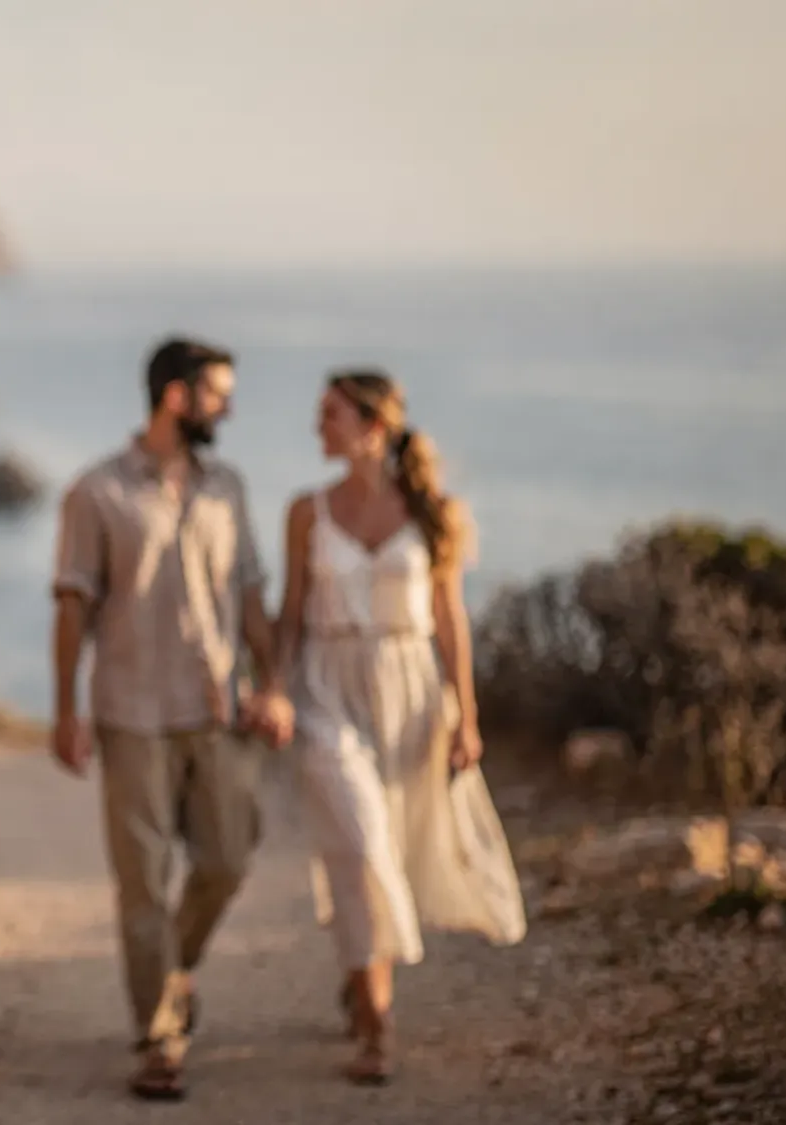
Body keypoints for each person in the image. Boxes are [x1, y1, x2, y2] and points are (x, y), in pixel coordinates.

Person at [49, 336, 296, 1102]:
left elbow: (252, 596)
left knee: (227, 858)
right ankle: (159, 1037)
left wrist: (274, 683)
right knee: (143, 886)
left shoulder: (229, 487)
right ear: (175, 396)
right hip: (131, 713)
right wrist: (65, 709)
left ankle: (173, 970)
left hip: (216, 709)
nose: (227, 406)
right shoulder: (96, 491)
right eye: (216, 392)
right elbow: (73, 605)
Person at [273, 367, 527, 1086]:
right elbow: (291, 612)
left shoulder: (433, 510)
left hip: (411, 692)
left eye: (331, 414)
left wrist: (465, 715)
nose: (318, 426)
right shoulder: (305, 511)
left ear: (373, 426)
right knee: (357, 842)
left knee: (393, 847)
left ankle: (362, 976)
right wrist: (274, 688)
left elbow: (450, 619)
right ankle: (378, 1022)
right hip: (327, 685)